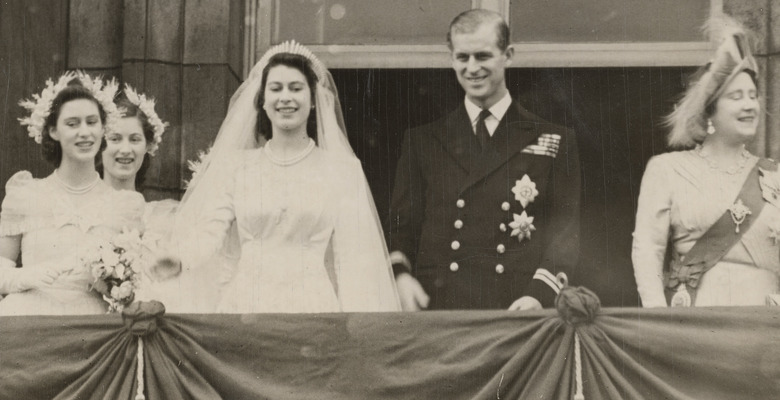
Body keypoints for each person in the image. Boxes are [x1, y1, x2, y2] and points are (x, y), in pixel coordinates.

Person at [152, 41, 401, 313]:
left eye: (296, 88)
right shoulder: (237, 167)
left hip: (312, 307)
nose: (285, 98)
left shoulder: (341, 170)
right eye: (276, 88)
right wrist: (180, 259)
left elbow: (353, 257)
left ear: (314, 99)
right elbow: (208, 231)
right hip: (246, 305)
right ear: (263, 100)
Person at [387, 9, 580, 311]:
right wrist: (400, 276)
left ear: (509, 55)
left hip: (516, 307)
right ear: (451, 58)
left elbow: (565, 232)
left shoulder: (553, 139)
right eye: (462, 57)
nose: (472, 68)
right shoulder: (422, 141)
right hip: (440, 305)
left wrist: (538, 295)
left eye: (483, 56)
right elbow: (402, 227)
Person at [632, 16, 780, 307]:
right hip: (696, 327)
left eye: (753, 96)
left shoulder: (775, 176)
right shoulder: (667, 169)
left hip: (766, 330)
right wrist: (659, 319)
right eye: (736, 96)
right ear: (709, 112)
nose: (750, 105)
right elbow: (647, 251)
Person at [0, 72, 145, 315]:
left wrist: (111, 284)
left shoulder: (126, 206)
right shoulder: (25, 195)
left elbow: (134, 284)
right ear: (53, 131)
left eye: (92, 122)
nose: (85, 132)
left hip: (95, 328)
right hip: (28, 321)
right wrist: (28, 276)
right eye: (72, 123)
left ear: (103, 129)